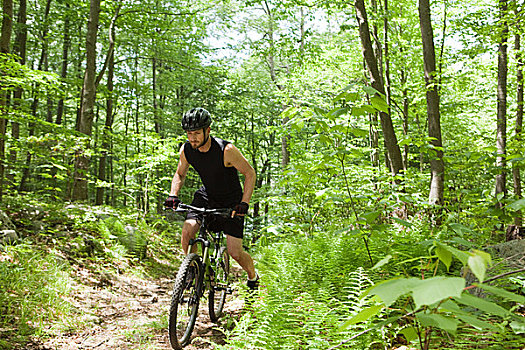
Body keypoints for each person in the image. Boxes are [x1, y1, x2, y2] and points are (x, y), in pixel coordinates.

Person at [164, 107, 259, 290]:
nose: (192, 138)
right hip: (206, 195)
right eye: (189, 133)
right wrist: (173, 195)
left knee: (235, 252)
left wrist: (244, 203)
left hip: (232, 201)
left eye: (197, 133)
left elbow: (249, 173)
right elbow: (180, 174)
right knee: (187, 232)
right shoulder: (187, 150)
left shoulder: (226, 150)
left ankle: (253, 277)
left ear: (208, 130)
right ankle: (195, 270)